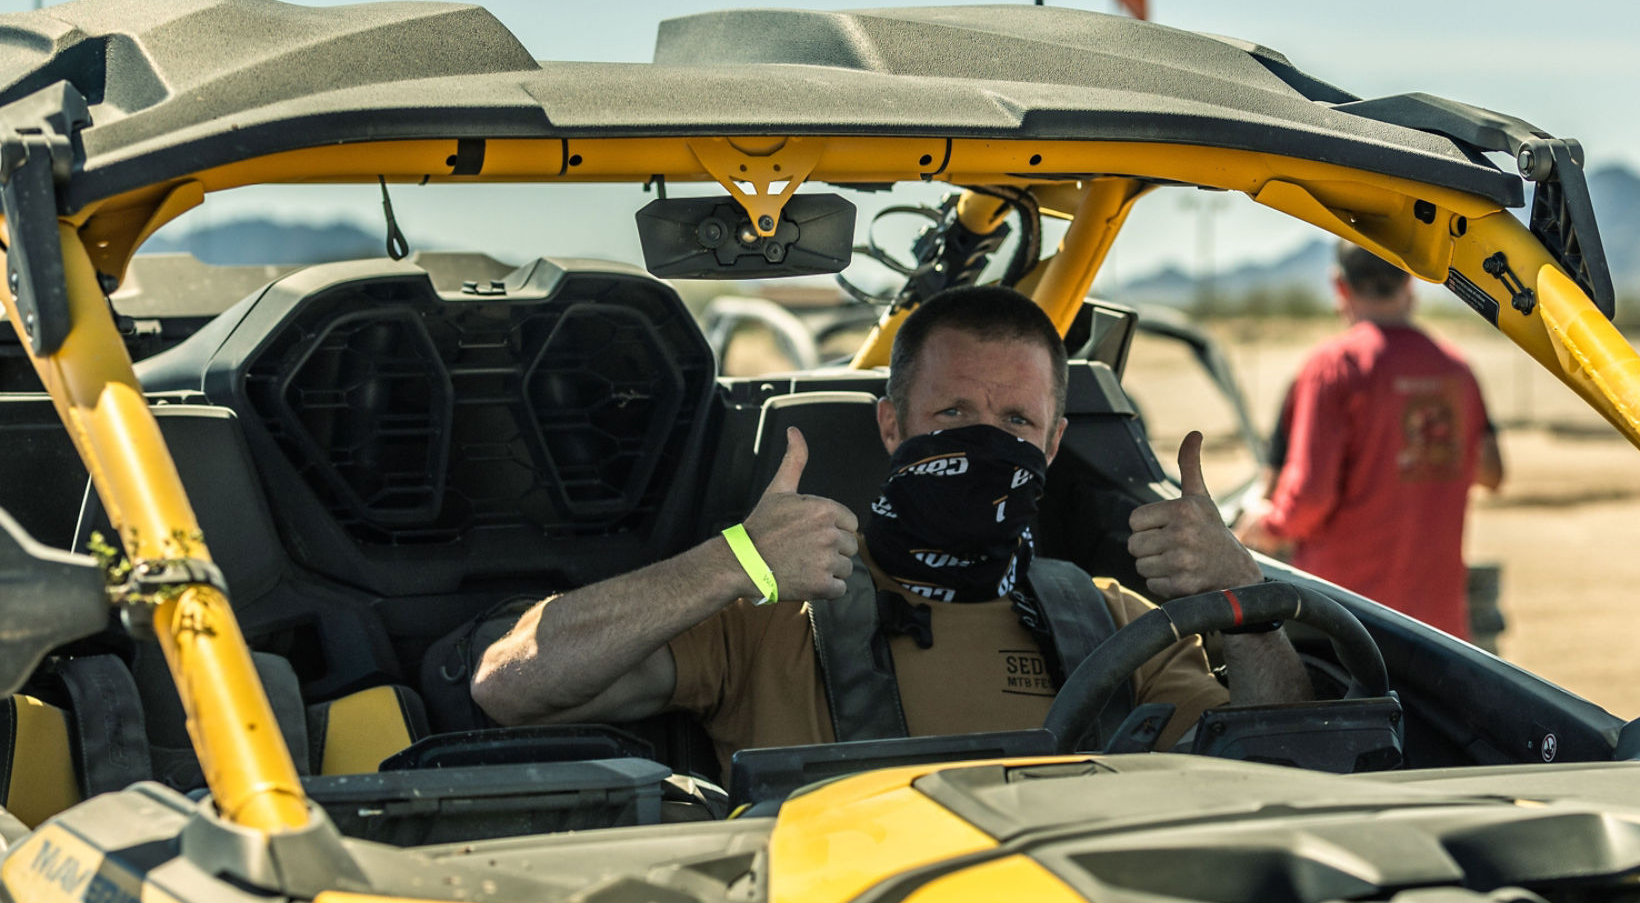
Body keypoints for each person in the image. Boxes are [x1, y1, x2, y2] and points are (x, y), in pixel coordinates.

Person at [471, 285, 1307, 764]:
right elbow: (510, 685)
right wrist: (735, 562)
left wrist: (1244, 594)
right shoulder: (771, 614)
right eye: (952, 412)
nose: (986, 440)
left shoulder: (1119, 624)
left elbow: (1289, 756)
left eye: (1015, 421)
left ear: (1054, 443)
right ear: (890, 427)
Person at [1237, 244, 1501, 640]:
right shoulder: (1456, 369)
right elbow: (1491, 471)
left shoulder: (1334, 366)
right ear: (1410, 281)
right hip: (1438, 627)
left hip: (1348, 624)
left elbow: (1309, 499)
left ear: (1340, 286)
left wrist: (1264, 524)